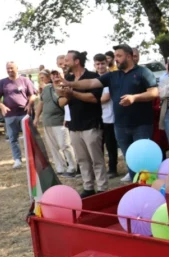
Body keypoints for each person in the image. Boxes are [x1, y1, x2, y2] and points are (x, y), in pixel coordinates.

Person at [60, 44, 159, 181]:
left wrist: (134, 98)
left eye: (119, 56)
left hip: (141, 124)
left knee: (143, 158)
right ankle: (137, 185)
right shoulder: (112, 76)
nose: (115, 59)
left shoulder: (143, 72)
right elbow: (90, 84)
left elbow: (154, 92)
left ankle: (150, 185)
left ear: (129, 56)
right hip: (120, 126)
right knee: (129, 158)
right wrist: (69, 84)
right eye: (115, 56)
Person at [59, 51, 107, 197]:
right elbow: (61, 102)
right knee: (82, 159)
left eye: (67, 60)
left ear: (77, 61)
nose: (64, 63)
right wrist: (66, 95)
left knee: (96, 159)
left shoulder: (93, 77)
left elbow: (94, 98)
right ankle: (88, 187)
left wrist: (73, 93)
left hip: (92, 124)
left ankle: (102, 188)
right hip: (74, 126)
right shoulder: (68, 78)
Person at [34, 68, 77, 177]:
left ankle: (72, 167)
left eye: (57, 74)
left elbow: (64, 104)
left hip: (60, 121)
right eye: (53, 75)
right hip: (47, 122)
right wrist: (36, 117)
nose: (55, 76)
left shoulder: (65, 88)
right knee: (53, 147)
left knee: (65, 145)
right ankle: (60, 168)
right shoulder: (46, 89)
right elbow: (41, 103)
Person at [0, 62, 38, 168]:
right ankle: (17, 160)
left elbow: (33, 95)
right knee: (13, 138)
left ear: (17, 68)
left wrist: (29, 104)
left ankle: (32, 158)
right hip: (10, 115)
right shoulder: (2, 82)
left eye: (11, 68)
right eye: (7, 68)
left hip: (24, 113)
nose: (9, 70)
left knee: (30, 137)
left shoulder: (25, 80)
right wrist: (2, 107)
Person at [93, 54, 119, 178]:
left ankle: (112, 168)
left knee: (111, 145)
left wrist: (92, 100)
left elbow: (106, 97)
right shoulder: (93, 79)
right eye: (97, 64)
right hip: (96, 117)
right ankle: (100, 170)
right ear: (94, 65)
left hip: (109, 117)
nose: (100, 66)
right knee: (98, 146)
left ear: (106, 63)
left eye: (102, 63)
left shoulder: (111, 77)